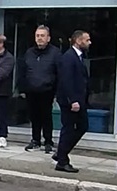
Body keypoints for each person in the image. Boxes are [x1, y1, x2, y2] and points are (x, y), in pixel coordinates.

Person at [54, 30, 92, 173]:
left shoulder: (78, 57)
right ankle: (62, 160)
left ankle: (61, 153)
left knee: (82, 126)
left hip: (78, 100)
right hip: (71, 101)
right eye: (87, 40)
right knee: (69, 128)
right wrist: (73, 100)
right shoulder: (69, 57)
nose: (89, 43)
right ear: (78, 41)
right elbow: (66, 80)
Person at [20, 25, 62, 153]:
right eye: (37, 36)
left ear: (48, 38)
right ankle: (35, 140)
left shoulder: (55, 53)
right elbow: (23, 71)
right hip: (31, 91)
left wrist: (57, 91)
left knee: (46, 117)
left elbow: (60, 73)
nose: (39, 38)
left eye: (42, 36)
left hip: (47, 91)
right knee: (34, 117)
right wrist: (22, 88)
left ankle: (48, 141)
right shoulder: (29, 53)